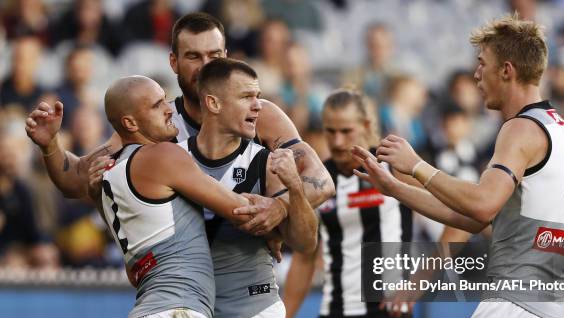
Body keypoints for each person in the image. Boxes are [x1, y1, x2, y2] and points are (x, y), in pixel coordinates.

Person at [353, 15, 564, 318]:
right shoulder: (556, 127)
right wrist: (395, 186)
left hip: (513, 309)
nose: (476, 75)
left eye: (482, 64)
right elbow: (478, 218)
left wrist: (416, 165)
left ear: (506, 71)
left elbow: (482, 203)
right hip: (551, 315)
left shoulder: (519, 129)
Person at [25, 75, 277, 318]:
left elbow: (75, 182)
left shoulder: (106, 176)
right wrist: (285, 205)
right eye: (157, 105)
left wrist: (50, 147)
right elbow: (242, 211)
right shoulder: (162, 157)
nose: (169, 110)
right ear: (130, 122)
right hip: (177, 316)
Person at [25, 12, 334, 227]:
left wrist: (280, 207)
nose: (205, 67)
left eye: (214, 56)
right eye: (193, 57)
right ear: (173, 62)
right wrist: (50, 145)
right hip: (183, 280)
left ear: (226, 55)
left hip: (249, 280)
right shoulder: (158, 123)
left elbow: (320, 180)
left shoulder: (262, 114)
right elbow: (75, 179)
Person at [175, 57, 318, 318]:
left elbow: (305, 242)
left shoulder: (266, 161)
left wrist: (294, 193)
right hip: (193, 317)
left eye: (259, 96)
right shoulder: (172, 160)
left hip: (257, 313)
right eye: (246, 97)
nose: (259, 106)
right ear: (213, 103)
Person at [283, 89, 412, 318]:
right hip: (334, 316)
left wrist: (417, 282)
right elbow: (303, 258)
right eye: (330, 131)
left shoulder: (394, 168)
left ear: (366, 125)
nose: (338, 140)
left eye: (346, 131)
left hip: (383, 315)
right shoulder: (318, 182)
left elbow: (457, 219)